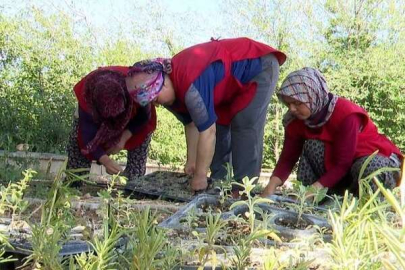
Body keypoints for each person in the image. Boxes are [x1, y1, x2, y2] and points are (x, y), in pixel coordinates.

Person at [126, 37, 287, 192]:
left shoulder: (190, 83)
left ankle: (244, 192)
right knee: (220, 126)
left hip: (258, 65)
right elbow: (191, 124)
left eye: (154, 98)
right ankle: (219, 184)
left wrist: (200, 176)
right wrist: (192, 162)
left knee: (244, 125)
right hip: (226, 87)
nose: (155, 104)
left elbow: (207, 132)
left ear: (163, 84)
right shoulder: (173, 95)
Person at [261, 67, 403, 197]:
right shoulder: (295, 120)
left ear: (313, 96)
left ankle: (366, 204)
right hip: (343, 171)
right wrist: (270, 187)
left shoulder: (346, 114)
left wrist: (315, 189)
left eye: (297, 103)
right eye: (288, 103)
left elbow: (343, 163)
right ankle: (321, 199)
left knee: (370, 166)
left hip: (375, 162)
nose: (291, 109)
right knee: (311, 145)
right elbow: (288, 158)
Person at [66, 66, 156, 182]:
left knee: (140, 141)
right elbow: (86, 135)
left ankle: (134, 186)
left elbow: (144, 117)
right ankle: (74, 184)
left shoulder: (136, 85)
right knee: (77, 142)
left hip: (134, 118)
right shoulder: (87, 99)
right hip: (95, 116)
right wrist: (105, 160)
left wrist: (123, 138)